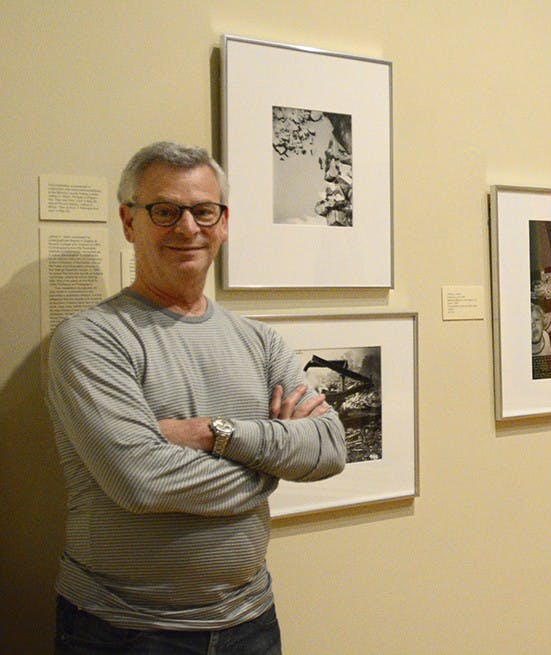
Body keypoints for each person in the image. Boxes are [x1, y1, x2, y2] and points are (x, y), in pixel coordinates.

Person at [45, 141, 347, 654]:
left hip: (251, 621)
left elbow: (328, 448)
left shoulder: (260, 340)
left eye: (204, 211)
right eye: (165, 211)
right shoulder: (92, 338)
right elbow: (140, 480)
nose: (187, 228)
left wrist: (215, 433)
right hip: (123, 630)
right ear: (128, 221)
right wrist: (271, 463)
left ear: (223, 223)